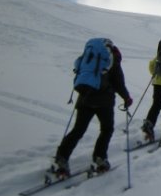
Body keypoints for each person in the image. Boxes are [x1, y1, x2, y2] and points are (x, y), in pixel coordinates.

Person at [54, 39, 133, 177]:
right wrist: (126, 98)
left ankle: (62, 156)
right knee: (106, 129)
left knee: (78, 129)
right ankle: (100, 157)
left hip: (85, 98)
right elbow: (118, 82)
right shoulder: (111, 58)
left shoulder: (88, 56)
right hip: (104, 101)